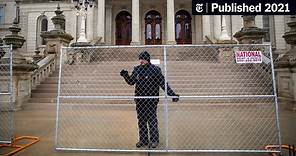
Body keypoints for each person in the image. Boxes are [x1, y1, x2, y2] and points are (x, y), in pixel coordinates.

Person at [120, 51, 179, 148]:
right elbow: (131, 82)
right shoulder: (137, 69)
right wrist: (125, 75)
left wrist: (172, 94)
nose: (141, 61)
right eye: (140, 59)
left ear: (147, 59)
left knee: (152, 121)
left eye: (143, 59)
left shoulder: (155, 70)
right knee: (141, 121)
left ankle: (154, 140)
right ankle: (143, 140)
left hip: (151, 100)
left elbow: (163, 84)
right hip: (140, 100)